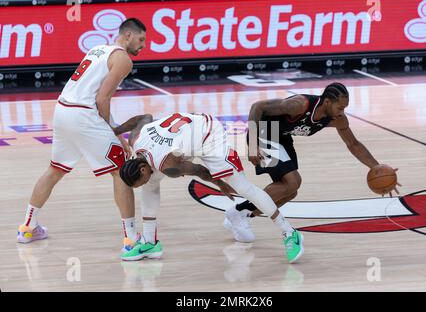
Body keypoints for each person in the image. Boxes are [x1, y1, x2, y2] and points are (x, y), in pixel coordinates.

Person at [17, 18, 147, 256]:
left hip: (62, 110)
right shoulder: (123, 59)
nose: (143, 46)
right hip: (83, 115)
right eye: (140, 40)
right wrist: (115, 133)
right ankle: (130, 240)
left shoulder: (97, 49)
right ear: (127, 35)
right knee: (121, 171)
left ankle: (27, 228)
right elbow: (101, 99)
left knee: (54, 170)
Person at [115, 112, 304, 263]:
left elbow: (199, 171)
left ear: (141, 168)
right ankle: (149, 242)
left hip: (208, 135)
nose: (143, 183)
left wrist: (220, 183)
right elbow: (144, 118)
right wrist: (116, 130)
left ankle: (289, 232)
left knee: (242, 187)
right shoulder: (136, 141)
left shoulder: (169, 166)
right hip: (183, 134)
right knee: (152, 183)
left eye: (141, 180)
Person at [225, 82, 401, 242]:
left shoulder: (337, 119)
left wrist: (376, 167)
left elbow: (353, 144)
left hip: (282, 138)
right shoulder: (299, 105)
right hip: (264, 131)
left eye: (345, 107)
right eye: (340, 107)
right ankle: (239, 213)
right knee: (292, 182)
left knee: (291, 191)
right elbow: (257, 107)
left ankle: (242, 214)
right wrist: (253, 144)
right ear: (326, 102)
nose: (342, 112)